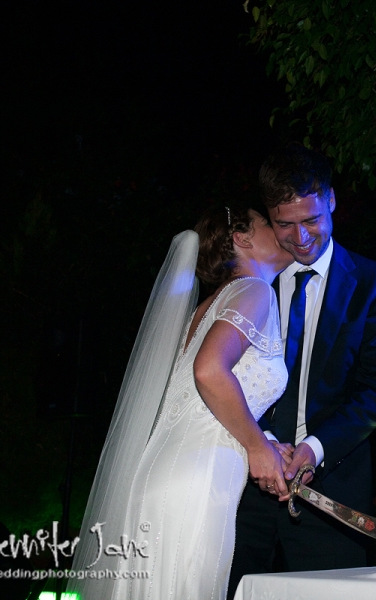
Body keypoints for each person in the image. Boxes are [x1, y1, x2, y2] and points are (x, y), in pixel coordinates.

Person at [68, 205, 294, 600]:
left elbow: (198, 404)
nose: (280, 231)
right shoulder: (254, 290)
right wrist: (257, 447)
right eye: (266, 224)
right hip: (195, 480)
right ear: (242, 238)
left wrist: (262, 442)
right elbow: (209, 372)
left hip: (161, 473)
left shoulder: (207, 306)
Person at [229, 145, 376, 596]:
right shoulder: (248, 280)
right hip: (238, 489)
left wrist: (312, 450)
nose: (301, 237)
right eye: (285, 224)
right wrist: (259, 444)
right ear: (268, 217)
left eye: (311, 220)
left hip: (331, 492)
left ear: (332, 202)